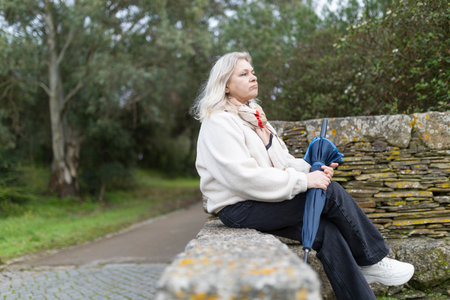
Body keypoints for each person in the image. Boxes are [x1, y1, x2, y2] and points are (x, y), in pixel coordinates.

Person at [192, 51, 414, 300]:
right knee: (328, 192)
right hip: (240, 207)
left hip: (262, 200)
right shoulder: (219, 122)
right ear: (225, 86)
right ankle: (372, 259)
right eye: (243, 74)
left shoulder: (256, 118)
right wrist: (305, 182)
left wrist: (313, 170)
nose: (253, 77)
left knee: (327, 231)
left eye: (252, 72)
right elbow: (242, 177)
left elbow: (284, 161)